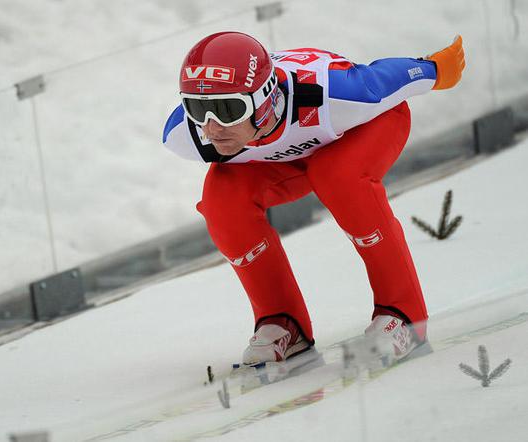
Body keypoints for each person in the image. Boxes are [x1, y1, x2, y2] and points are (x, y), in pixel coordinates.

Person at [162, 32, 465, 366]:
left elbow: (385, 78)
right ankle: (282, 322)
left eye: (227, 109)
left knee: (337, 176)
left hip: (362, 125)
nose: (211, 128)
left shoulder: (332, 93)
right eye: (196, 108)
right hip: (283, 154)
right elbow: (213, 129)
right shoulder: (185, 134)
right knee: (222, 202)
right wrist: (221, 115)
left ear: (264, 99)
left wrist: (436, 68)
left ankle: (404, 317)